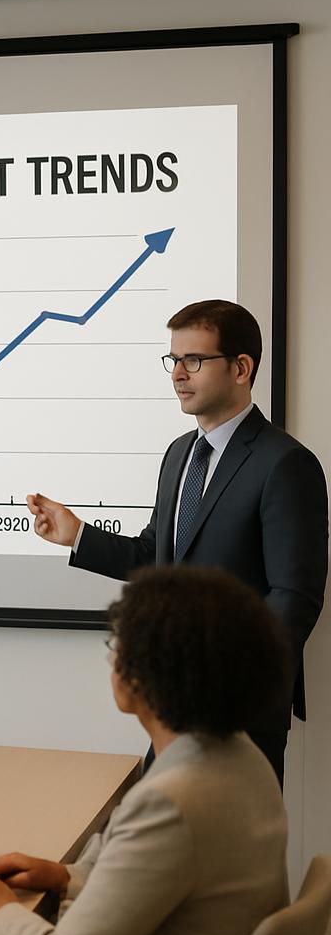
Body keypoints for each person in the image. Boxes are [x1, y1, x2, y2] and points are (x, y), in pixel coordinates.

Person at [0, 565, 289, 935]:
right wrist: (67, 877)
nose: (111, 659)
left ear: (148, 673)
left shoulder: (172, 802)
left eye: (117, 646)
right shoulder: (242, 757)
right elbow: (164, 878)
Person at [26, 299, 328, 784]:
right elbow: (155, 557)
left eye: (194, 360)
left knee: (227, 857)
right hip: (174, 701)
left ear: (241, 368)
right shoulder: (179, 454)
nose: (177, 374)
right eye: (173, 360)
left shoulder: (285, 464)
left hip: (238, 710)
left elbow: (295, 599)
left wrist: (230, 683)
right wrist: (77, 534)